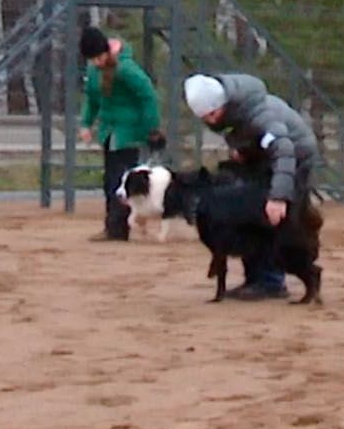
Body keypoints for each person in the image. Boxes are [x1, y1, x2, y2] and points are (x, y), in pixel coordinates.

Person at [183, 72, 321, 301]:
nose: (210, 121)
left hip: (294, 158)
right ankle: (257, 279)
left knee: (273, 219)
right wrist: (244, 149)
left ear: (222, 104)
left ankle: (271, 281)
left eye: (212, 114)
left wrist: (278, 197)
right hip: (263, 159)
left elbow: (283, 150)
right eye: (204, 117)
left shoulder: (260, 115)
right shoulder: (232, 108)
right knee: (246, 215)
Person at [77, 26, 163, 242]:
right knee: (110, 179)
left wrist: (151, 128)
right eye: (92, 59)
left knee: (120, 180)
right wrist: (86, 123)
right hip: (109, 131)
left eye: (98, 57)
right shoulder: (94, 70)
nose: (95, 63)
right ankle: (115, 226)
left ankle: (118, 228)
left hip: (128, 132)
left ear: (106, 51)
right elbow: (92, 98)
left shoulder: (126, 69)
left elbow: (148, 96)